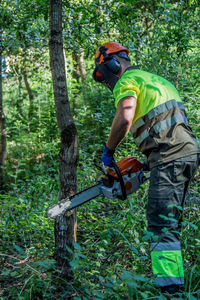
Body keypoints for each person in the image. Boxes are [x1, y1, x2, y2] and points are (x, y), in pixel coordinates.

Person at [93, 41, 199, 296]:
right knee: (171, 220)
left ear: (112, 65)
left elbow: (126, 115)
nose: (108, 82)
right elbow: (168, 125)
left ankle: (170, 291)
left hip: (170, 156)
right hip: (187, 152)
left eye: (104, 75)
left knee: (162, 226)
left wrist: (108, 152)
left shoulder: (127, 82)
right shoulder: (156, 80)